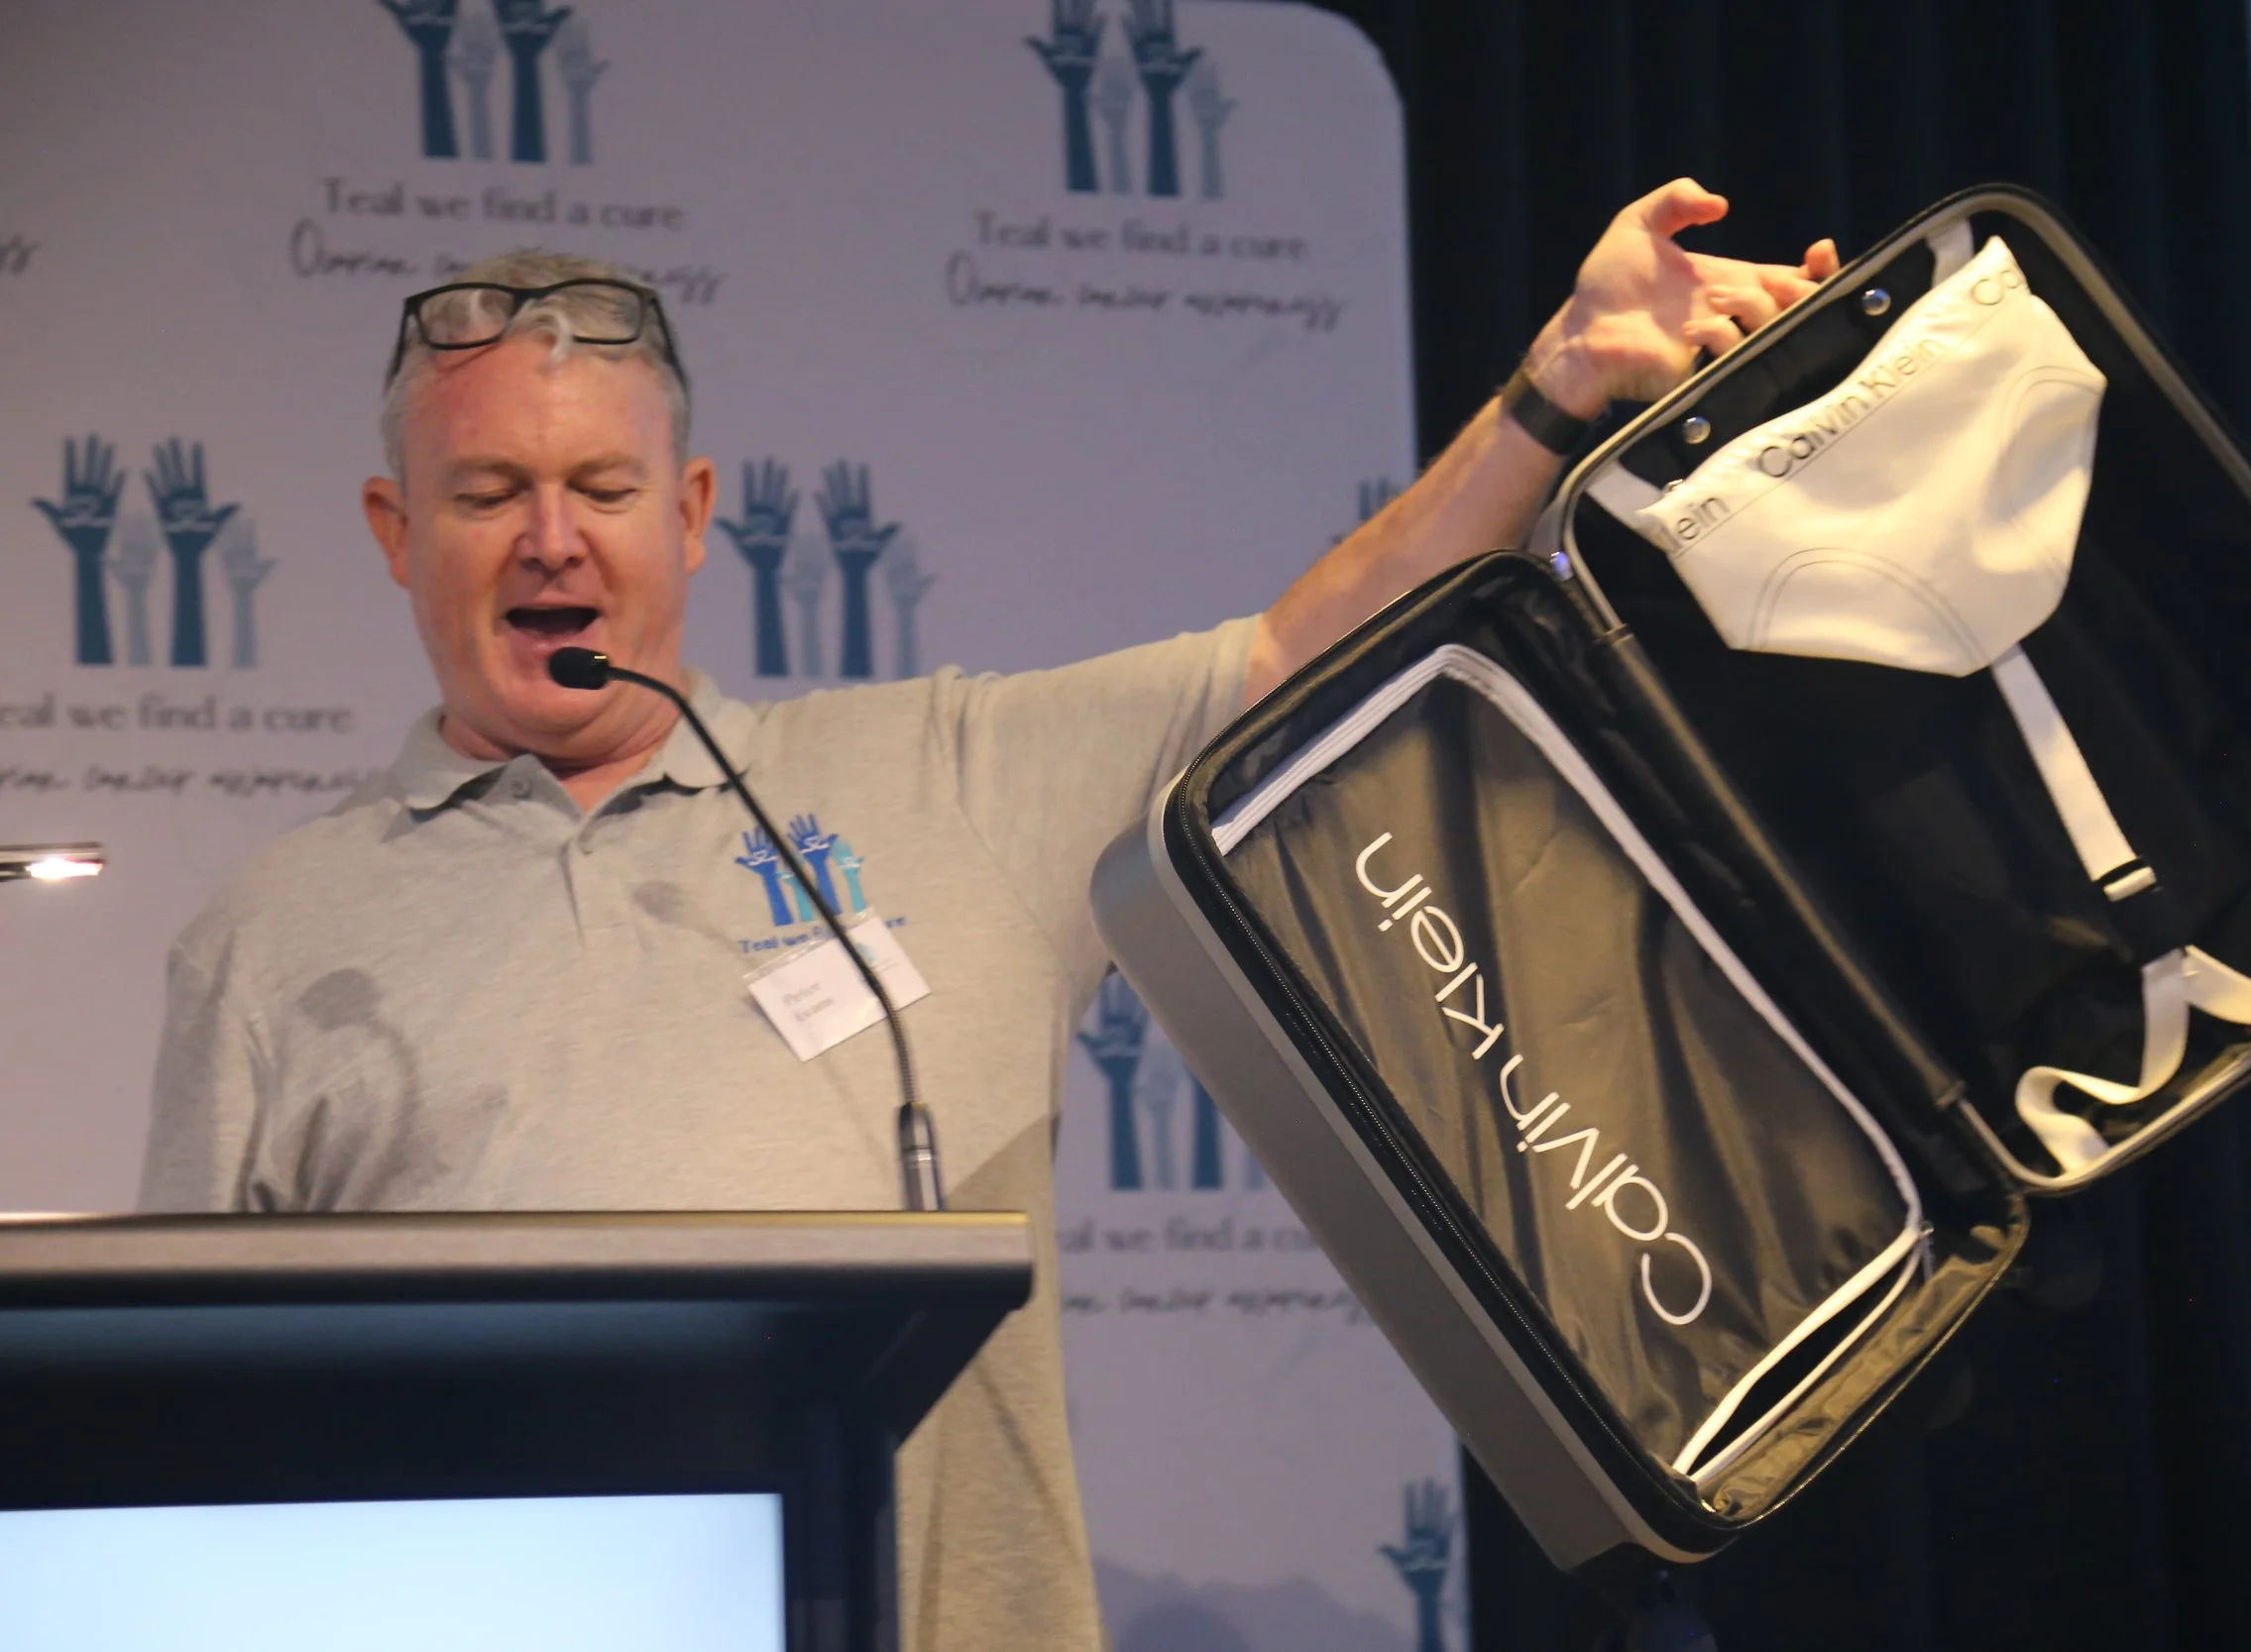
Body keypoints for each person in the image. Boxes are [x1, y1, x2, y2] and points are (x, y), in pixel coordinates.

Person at [140, 178, 1838, 1651]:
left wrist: (1552, 399)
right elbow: (180, 1463)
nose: (550, 540)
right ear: (394, 530)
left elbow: (1301, 652)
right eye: (488, 491)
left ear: (693, 512)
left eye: (598, 486)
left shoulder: (940, 774)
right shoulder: (279, 940)